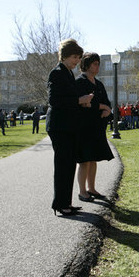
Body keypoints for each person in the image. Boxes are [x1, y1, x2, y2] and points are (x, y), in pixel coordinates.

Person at [46, 38, 93, 216]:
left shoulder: (68, 73)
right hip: (59, 127)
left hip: (68, 126)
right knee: (63, 166)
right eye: (74, 57)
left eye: (79, 57)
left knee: (69, 166)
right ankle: (60, 204)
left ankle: (66, 202)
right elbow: (54, 101)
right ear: (64, 56)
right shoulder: (57, 73)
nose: (77, 61)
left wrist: (82, 103)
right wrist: (78, 100)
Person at [75, 53, 114, 202]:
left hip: (97, 127)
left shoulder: (99, 84)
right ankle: (82, 191)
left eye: (98, 64)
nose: (98, 66)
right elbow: (83, 105)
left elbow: (106, 102)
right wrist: (102, 106)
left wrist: (107, 110)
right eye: (95, 63)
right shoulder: (79, 82)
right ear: (87, 64)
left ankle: (91, 188)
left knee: (93, 160)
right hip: (84, 127)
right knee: (85, 160)